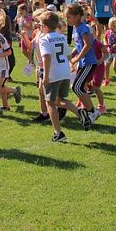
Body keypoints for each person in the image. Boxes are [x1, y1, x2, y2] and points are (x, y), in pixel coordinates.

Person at [38, 11, 73, 142]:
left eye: (40, 24)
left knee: (50, 103)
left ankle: (58, 133)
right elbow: (68, 55)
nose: (40, 27)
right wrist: (72, 64)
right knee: (60, 99)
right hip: (65, 72)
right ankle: (81, 113)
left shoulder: (44, 39)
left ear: (46, 26)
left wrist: (46, 76)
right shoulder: (62, 37)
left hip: (54, 73)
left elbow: (46, 57)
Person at [66, 3, 100, 129]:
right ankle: (91, 111)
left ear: (77, 16)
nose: (67, 19)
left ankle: (92, 111)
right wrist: (70, 56)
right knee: (76, 87)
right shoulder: (76, 29)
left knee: (77, 87)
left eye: (69, 17)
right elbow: (79, 46)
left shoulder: (83, 28)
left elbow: (87, 45)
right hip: (83, 63)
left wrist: (77, 58)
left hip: (89, 62)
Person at [104, 16, 116, 87]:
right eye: (110, 26)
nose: (112, 27)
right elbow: (105, 38)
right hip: (109, 52)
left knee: (115, 67)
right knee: (106, 66)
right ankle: (107, 80)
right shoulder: (107, 32)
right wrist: (106, 43)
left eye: (114, 26)